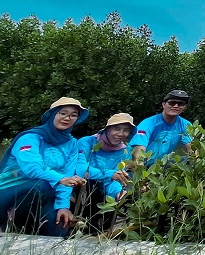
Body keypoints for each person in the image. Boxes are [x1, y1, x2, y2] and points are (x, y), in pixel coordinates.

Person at [0, 97, 89, 237]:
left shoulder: (72, 144)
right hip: (10, 191)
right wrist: (61, 179)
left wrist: (63, 206)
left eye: (73, 115)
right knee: (42, 185)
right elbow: (32, 168)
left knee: (60, 226)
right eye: (63, 113)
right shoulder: (30, 138)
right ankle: (6, 225)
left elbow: (68, 174)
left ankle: (27, 230)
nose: (67, 118)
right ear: (52, 114)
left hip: (43, 196)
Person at [75, 113, 134, 232]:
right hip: (81, 188)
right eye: (116, 129)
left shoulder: (125, 151)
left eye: (126, 130)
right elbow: (80, 169)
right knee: (92, 184)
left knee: (126, 192)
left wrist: (118, 193)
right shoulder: (87, 142)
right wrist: (109, 174)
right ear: (107, 129)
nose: (121, 134)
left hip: (106, 193)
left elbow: (117, 178)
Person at [130, 90, 193, 166]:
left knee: (186, 160)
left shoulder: (185, 124)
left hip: (160, 164)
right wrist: (141, 174)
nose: (176, 106)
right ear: (163, 104)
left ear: (184, 107)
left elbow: (192, 149)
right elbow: (138, 154)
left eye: (180, 104)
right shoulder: (148, 123)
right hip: (133, 165)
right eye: (172, 103)